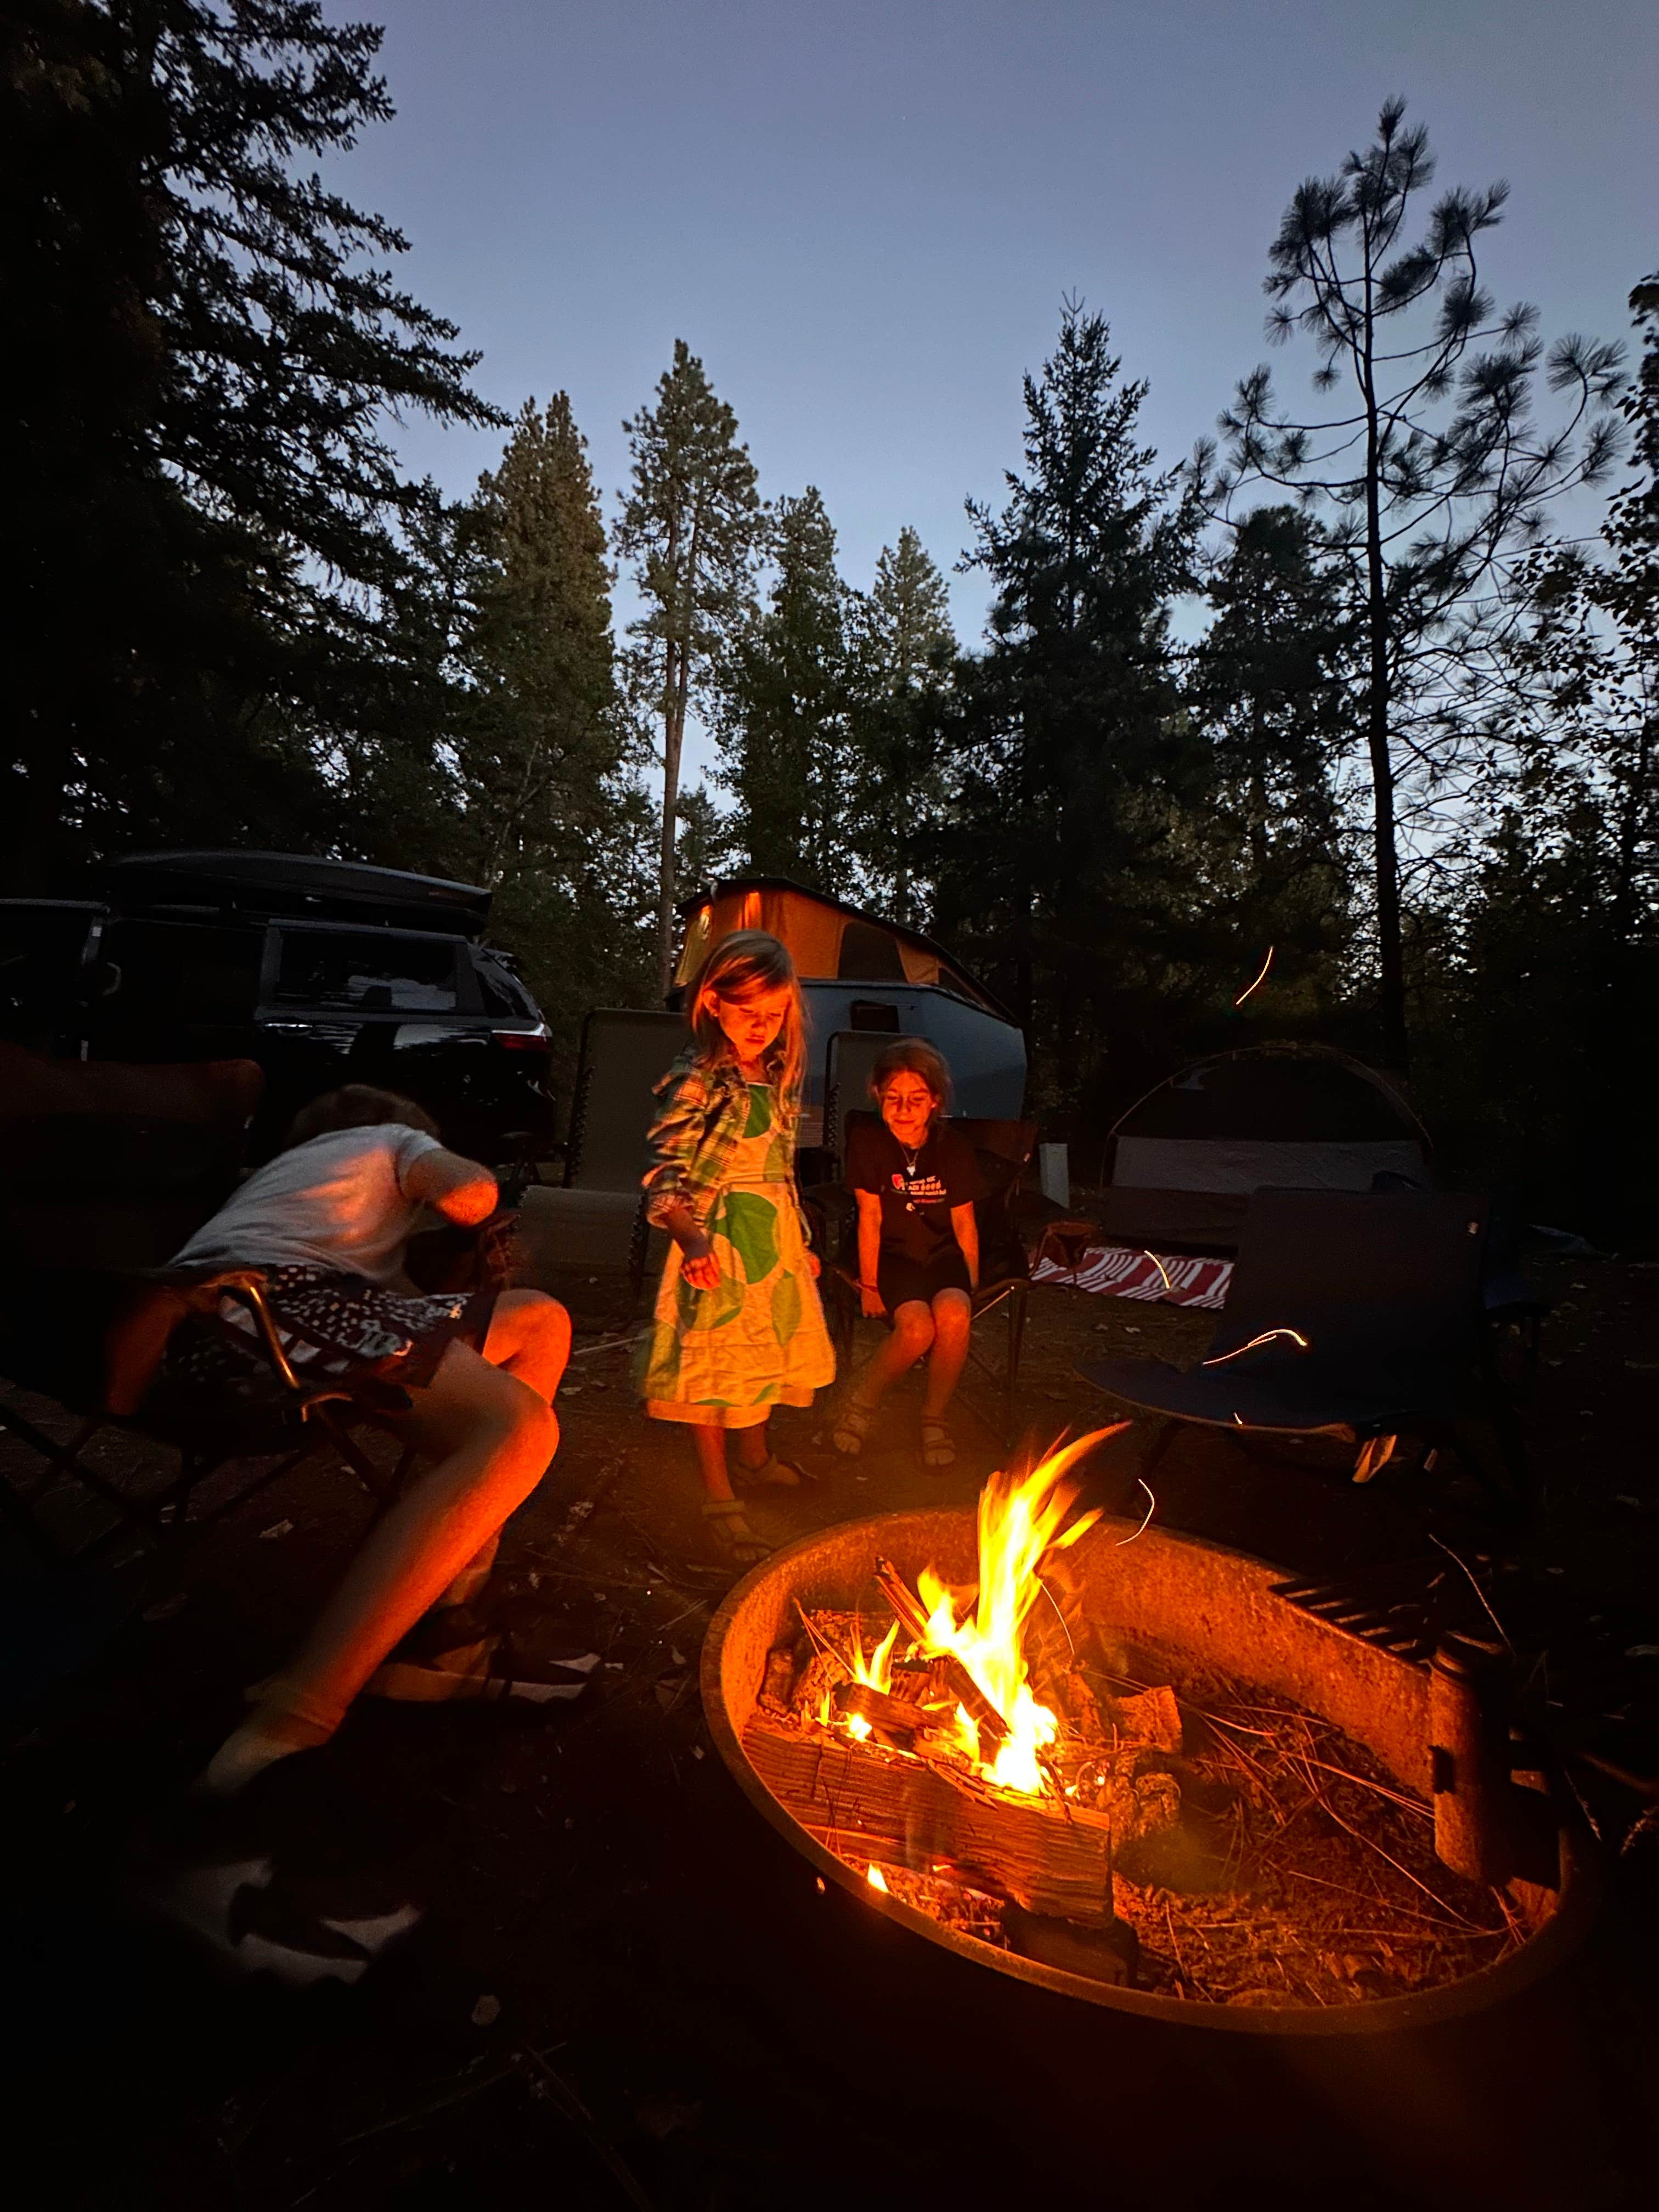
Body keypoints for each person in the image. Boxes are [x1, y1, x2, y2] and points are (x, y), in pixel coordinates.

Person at [173, 1085, 573, 1797]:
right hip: (270, 1308)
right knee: (516, 1429)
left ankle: (449, 1622)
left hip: (227, 1317)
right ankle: (287, 1726)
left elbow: (392, 1306)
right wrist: (443, 1181)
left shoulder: (283, 1181)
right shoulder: (392, 1143)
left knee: (539, 1322)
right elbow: (472, 1196)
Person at [637, 930, 835, 1562]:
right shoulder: (696, 1076)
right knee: (716, 1368)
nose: (761, 1026)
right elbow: (664, 1179)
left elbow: (781, 1167)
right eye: (748, 1011)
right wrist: (694, 1241)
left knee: (761, 1358)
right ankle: (720, 1494)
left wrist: (796, 1239)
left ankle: (756, 1459)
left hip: (769, 1240)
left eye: (774, 1015)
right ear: (714, 1003)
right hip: (716, 1239)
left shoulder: (777, 1073)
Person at [832, 1039, 985, 1469]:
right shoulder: (868, 1143)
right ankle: (863, 1400)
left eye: (916, 1099)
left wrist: (971, 1281)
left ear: (934, 1101)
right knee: (917, 1329)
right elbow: (870, 1218)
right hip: (891, 1255)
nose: (904, 1109)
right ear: (878, 1095)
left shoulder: (952, 1148)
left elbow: (964, 1222)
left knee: (954, 1314)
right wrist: (869, 1285)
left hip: (941, 1253)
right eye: (894, 1098)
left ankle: (933, 1415)